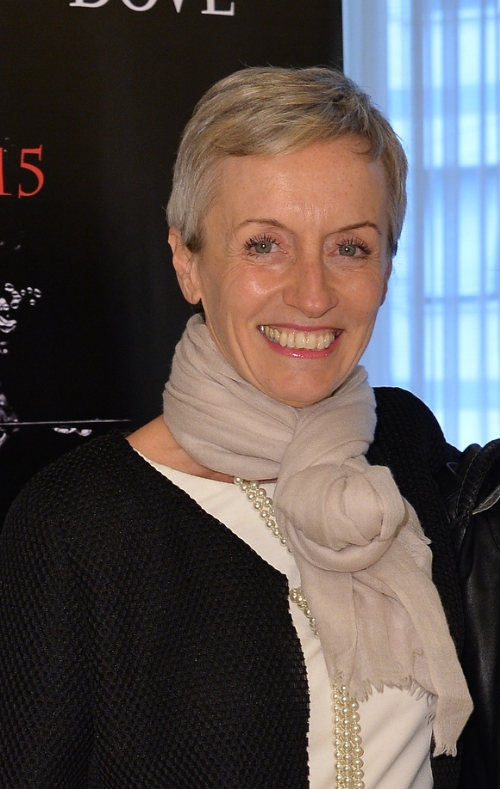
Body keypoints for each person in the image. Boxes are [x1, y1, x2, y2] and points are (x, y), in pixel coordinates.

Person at [0, 67, 475, 789]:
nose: (312, 295)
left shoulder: (406, 445)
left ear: (386, 268)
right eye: (264, 245)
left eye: (350, 247)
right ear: (187, 262)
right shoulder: (75, 525)